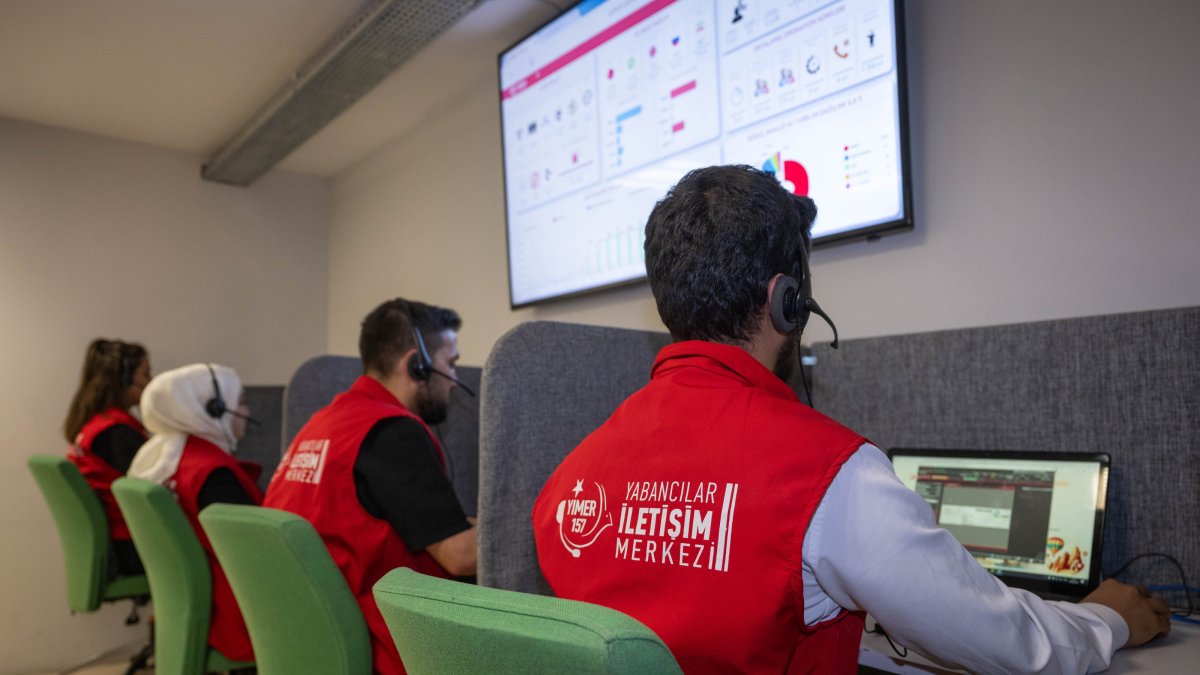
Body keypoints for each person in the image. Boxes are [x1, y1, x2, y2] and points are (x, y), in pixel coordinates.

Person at [532, 165, 1171, 674]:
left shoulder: (566, 486)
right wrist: (1107, 619)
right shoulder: (826, 475)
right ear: (787, 300)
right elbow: (1010, 647)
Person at [265, 298, 475, 675]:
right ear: (418, 364)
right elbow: (460, 556)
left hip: (308, 637)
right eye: (451, 363)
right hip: (383, 646)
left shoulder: (326, 423)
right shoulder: (392, 433)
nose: (456, 383)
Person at [128, 363, 262, 664]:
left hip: (196, 606)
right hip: (237, 616)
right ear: (215, 408)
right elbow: (258, 558)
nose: (247, 412)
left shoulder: (161, 460)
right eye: (240, 402)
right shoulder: (211, 473)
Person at [64, 338, 152, 577]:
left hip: (118, 543)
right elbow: (156, 487)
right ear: (124, 379)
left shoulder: (93, 424)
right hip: (131, 547)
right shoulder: (116, 433)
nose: (151, 382)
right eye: (145, 375)